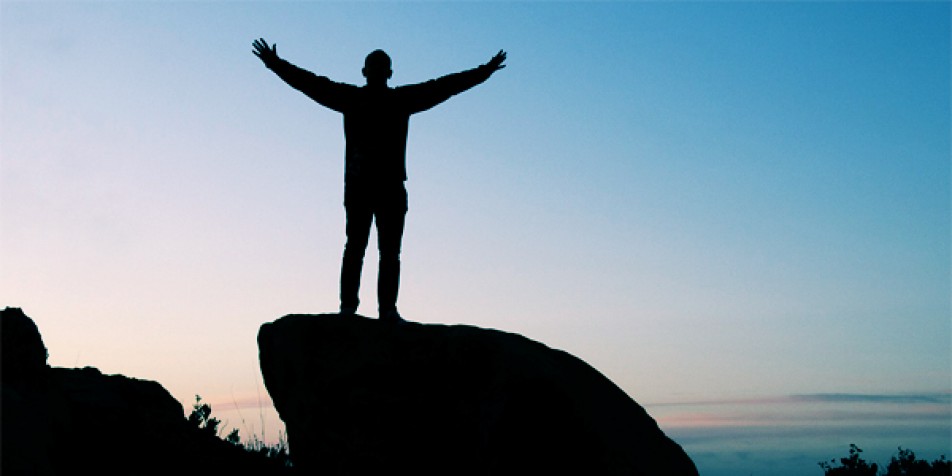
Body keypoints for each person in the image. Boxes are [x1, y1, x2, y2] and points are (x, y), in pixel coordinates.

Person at [252, 38, 506, 322]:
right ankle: (377, 310)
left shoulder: (363, 99)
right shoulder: (393, 100)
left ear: (366, 72)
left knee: (364, 249)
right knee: (379, 251)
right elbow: (444, 87)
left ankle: (362, 309)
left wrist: (275, 64)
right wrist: (485, 71)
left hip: (372, 186)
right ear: (388, 73)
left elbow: (311, 84)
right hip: (379, 187)